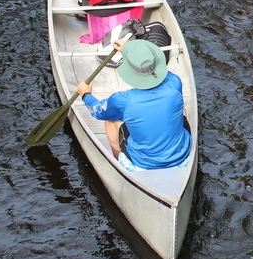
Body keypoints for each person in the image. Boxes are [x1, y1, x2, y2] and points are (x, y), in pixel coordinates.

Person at [76, 39, 191, 171]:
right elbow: (163, 74)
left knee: (110, 119)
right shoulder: (175, 82)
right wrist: (129, 50)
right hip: (181, 155)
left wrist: (86, 95)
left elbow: (97, 111)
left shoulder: (122, 100)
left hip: (143, 162)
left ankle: (119, 158)